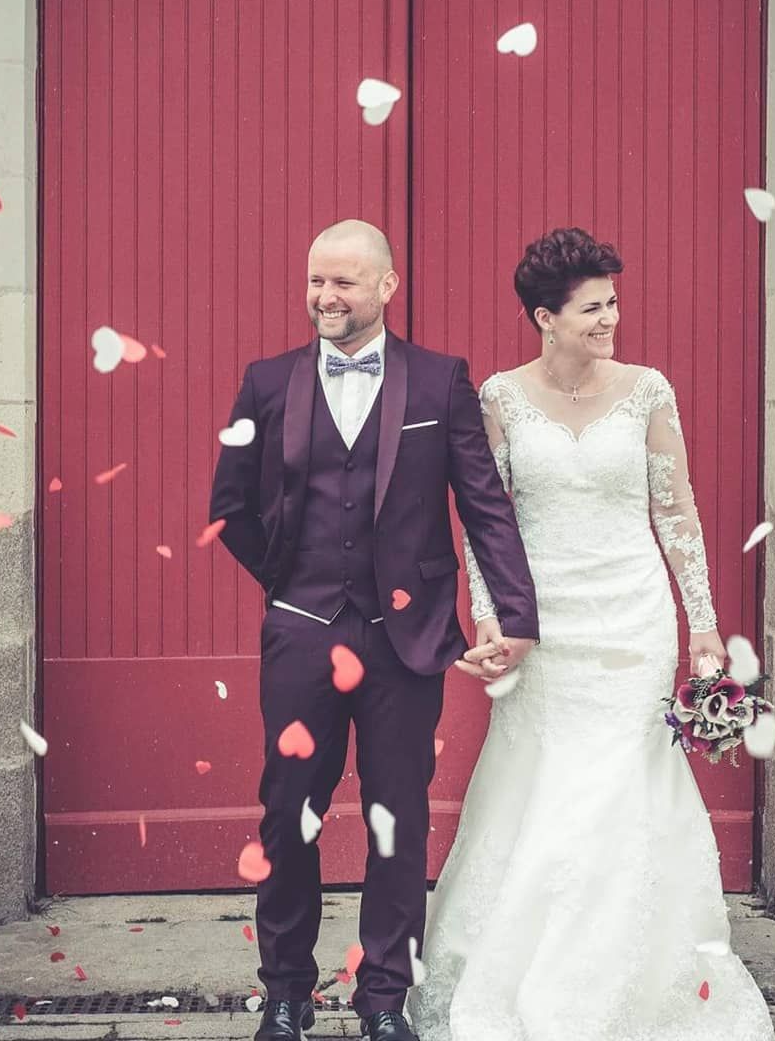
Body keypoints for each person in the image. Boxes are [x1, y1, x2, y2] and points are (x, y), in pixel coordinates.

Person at [407, 227, 775, 1040]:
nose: (610, 318)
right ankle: (518, 977)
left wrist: (704, 627)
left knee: (623, 787)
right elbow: (483, 518)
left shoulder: (647, 391)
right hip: (545, 622)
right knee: (541, 779)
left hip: (632, 617)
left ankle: (632, 985)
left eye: (612, 302)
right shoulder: (500, 397)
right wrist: (491, 614)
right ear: (545, 316)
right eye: (591, 308)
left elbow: (675, 511)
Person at [208, 219, 539, 1041]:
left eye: (345, 282)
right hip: (302, 634)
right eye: (317, 280)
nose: (326, 297)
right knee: (290, 816)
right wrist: (289, 584)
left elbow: (485, 506)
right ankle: (286, 993)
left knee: (398, 819)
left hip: (408, 641)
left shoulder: (438, 382)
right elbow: (230, 508)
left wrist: (517, 614)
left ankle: (384, 999)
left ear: (388, 287)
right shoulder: (265, 382)